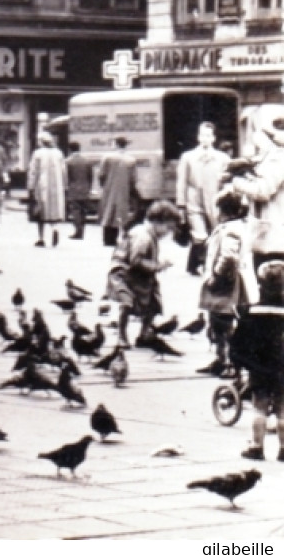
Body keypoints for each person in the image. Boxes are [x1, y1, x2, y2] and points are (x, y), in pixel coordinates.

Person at [105, 200, 181, 346]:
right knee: (127, 302)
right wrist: (158, 266)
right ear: (158, 221)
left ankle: (144, 333)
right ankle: (121, 334)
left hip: (139, 275)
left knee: (154, 302)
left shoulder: (149, 234)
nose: (168, 233)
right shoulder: (143, 236)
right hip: (123, 274)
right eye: (168, 227)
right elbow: (136, 260)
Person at [229, 260, 284, 462]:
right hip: (282, 368)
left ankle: (257, 447)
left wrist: (240, 362)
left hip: (259, 367)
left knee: (259, 406)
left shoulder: (250, 312)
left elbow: (237, 343)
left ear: (260, 286)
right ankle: (283, 448)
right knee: (282, 407)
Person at [197, 193, 248, 377]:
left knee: (222, 324)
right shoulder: (233, 226)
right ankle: (221, 360)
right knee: (218, 323)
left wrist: (216, 276)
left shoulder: (231, 229)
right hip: (226, 285)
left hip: (225, 286)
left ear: (222, 210)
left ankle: (228, 363)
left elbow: (228, 256)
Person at [178, 121, 231, 275]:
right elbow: (182, 182)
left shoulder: (223, 158)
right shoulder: (188, 157)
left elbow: (227, 182)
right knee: (199, 235)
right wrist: (181, 205)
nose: (205, 138)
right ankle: (199, 265)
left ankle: (202, 265)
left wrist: (227, 202)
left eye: (208, 135)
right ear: (198, 137)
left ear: (214, 138)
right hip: (194, 202)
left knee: (215, 235)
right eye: (202, 135)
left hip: (215, 202)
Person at [27, 132, 66, 248]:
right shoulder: (59, 153)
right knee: (54, 211)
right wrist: (64, 185)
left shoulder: (37, 153)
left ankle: (41, 238)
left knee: (41, 211)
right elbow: (64, 171)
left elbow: (33, 171)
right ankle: (55, 230)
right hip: (57, 186)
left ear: (41, 141)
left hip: (42, 186)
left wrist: (31, 186)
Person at [96, 136, 137, 248]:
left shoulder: (107, 158)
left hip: (109, 189)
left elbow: (101, 175)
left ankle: (108, 238)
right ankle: (120, 235)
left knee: (108, 211)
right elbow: (133, 179)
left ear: (116, 144)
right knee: (121, 212)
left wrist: (103, 185)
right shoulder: (131, 159)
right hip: (124, 189)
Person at [65, 141, 95, 241]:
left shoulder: (68, 161)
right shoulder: (87, 161)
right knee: (83, 211)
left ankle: (78, 231)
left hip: (73, 189)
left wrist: (67, 188)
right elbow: (91, 176)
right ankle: (82, 230)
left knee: (75, 210)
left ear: (70, 149)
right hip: (85, 188)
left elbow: (66, 177)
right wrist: (89, 187)